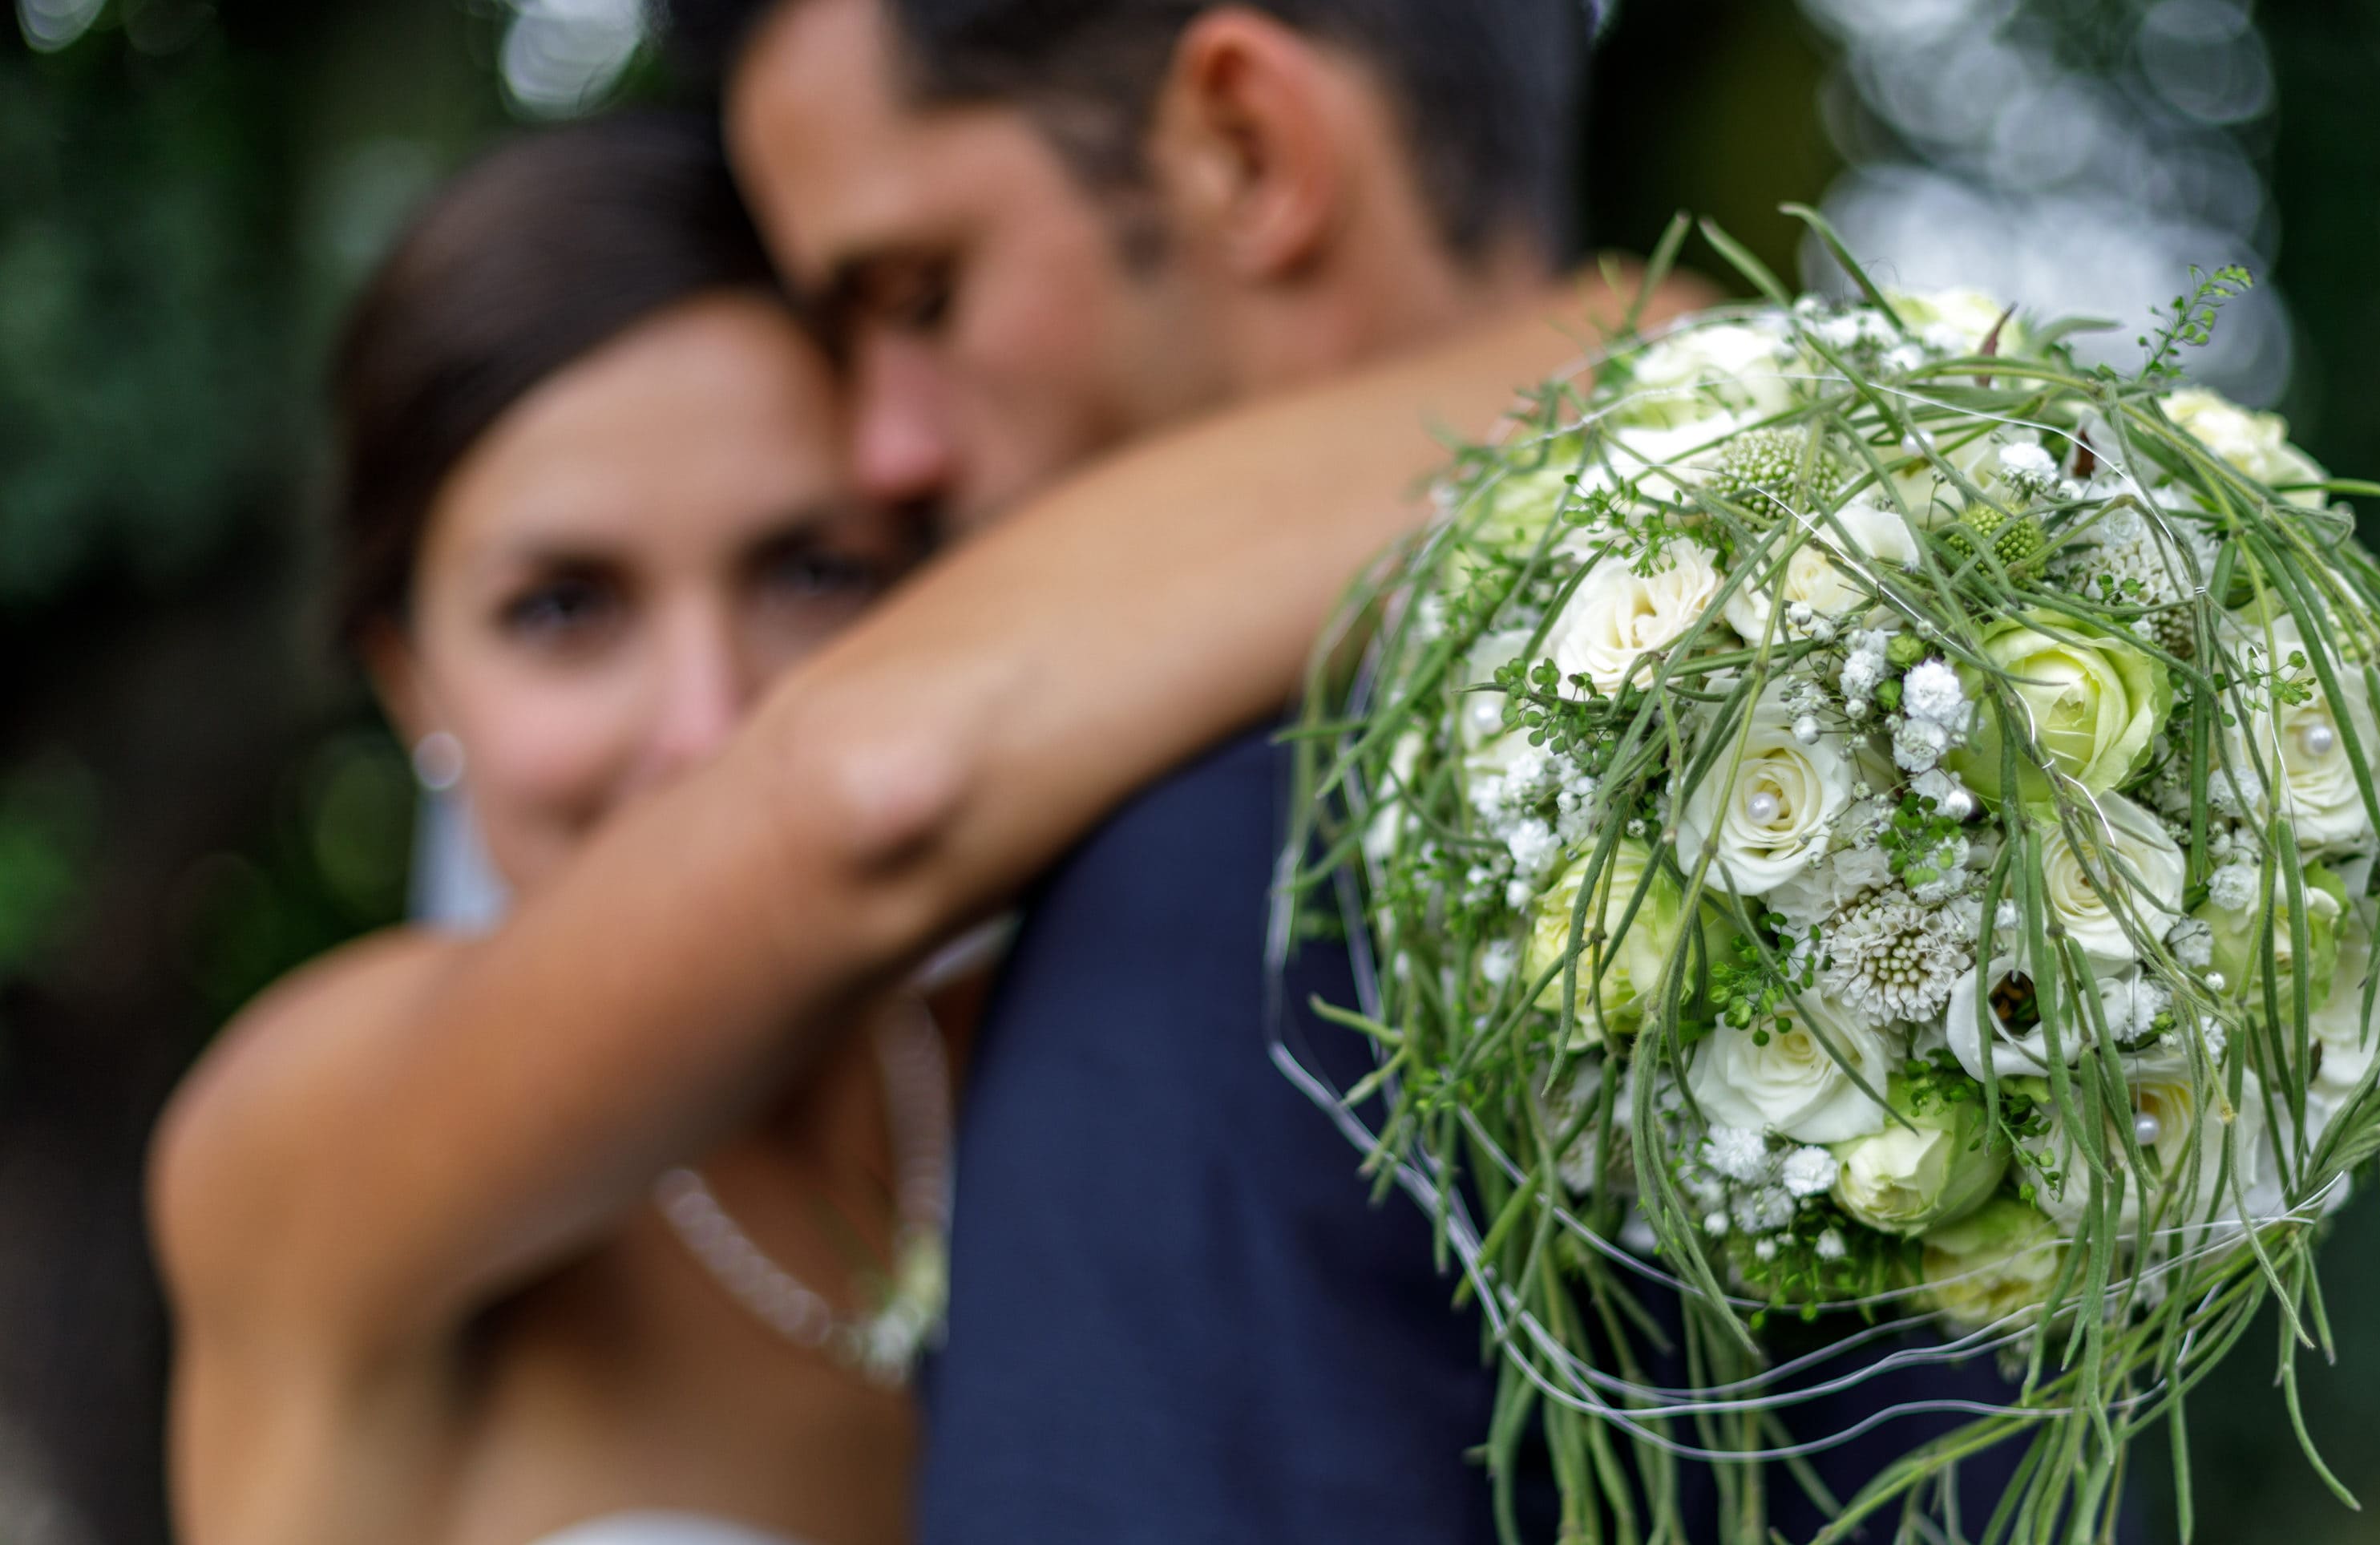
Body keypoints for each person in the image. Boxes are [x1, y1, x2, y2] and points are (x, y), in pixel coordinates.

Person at [148, 106, 1676, 1545]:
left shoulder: (1134, 1043)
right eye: (565, 610)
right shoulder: (302, 1151)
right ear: (410, 673)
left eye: (814, 573)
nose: (703, 721)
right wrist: (1641, 354)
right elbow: (863, 799)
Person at [662, 0, 2024, 1539]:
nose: (881, 447)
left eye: (919, 294)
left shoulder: (1241, 878)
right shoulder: (1955, 794)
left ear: (1244, 147)